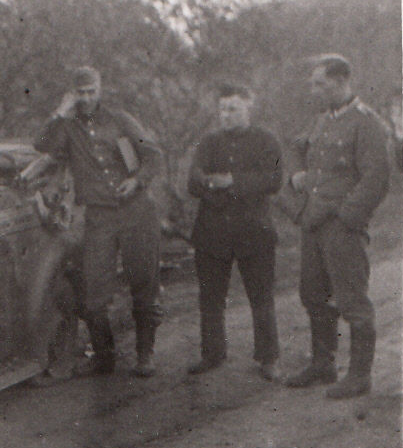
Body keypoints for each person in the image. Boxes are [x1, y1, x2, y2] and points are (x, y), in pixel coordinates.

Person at [30, 66, 164, 377]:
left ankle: (146, 356)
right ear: (72, 94)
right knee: (94, 291)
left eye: (92, 91)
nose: (87, 98)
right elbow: (41, 144)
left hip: (136, 212)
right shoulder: (67, 127)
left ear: (100, 90)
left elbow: (153, 155)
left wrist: (137, 182)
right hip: (100, 217)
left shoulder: (120, 119)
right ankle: (105, 358)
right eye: (81, 93)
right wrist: (60, 113)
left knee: (143, 284)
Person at [283, 54, 390, 398]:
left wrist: (347, 218)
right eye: (313, 84)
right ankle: (323, 364)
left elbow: (376, 179)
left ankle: (360, 376)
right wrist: (296, 174)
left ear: (343, 81)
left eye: (321, 84)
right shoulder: (319, 122)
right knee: (313, 294)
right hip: (313, 222)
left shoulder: (367, 123)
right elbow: (296, 148)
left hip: (343, 227)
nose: (315, 91)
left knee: (352, 300)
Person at [186, 84, 283, 380]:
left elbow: (274, 179)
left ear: (249, 107)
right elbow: (194, 181)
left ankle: (268, 358)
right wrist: (210, 184)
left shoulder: (266, 140)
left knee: (261, 296)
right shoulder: (209, 142)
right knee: (211, 297)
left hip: (254, 231)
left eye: (233, 109)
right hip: (213, 232)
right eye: (223, 109)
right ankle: (213, 353)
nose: (226, 116)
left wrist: (232, 182)